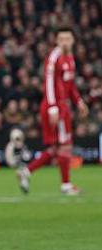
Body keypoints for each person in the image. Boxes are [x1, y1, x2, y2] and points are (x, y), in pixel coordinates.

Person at [16, 27, 88, 195]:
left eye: (67, 38)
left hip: (62, 106)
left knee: (55, 149)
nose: (64, 42)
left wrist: (79, 102)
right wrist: (53, 107)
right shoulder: (54, 57)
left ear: (73, 41)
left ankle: (26, 172)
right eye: (61, 39)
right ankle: (66, 185)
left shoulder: (70, 58)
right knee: (65, 146)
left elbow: (70, 86)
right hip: (55, 107)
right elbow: (48, 82)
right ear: (56, 41)